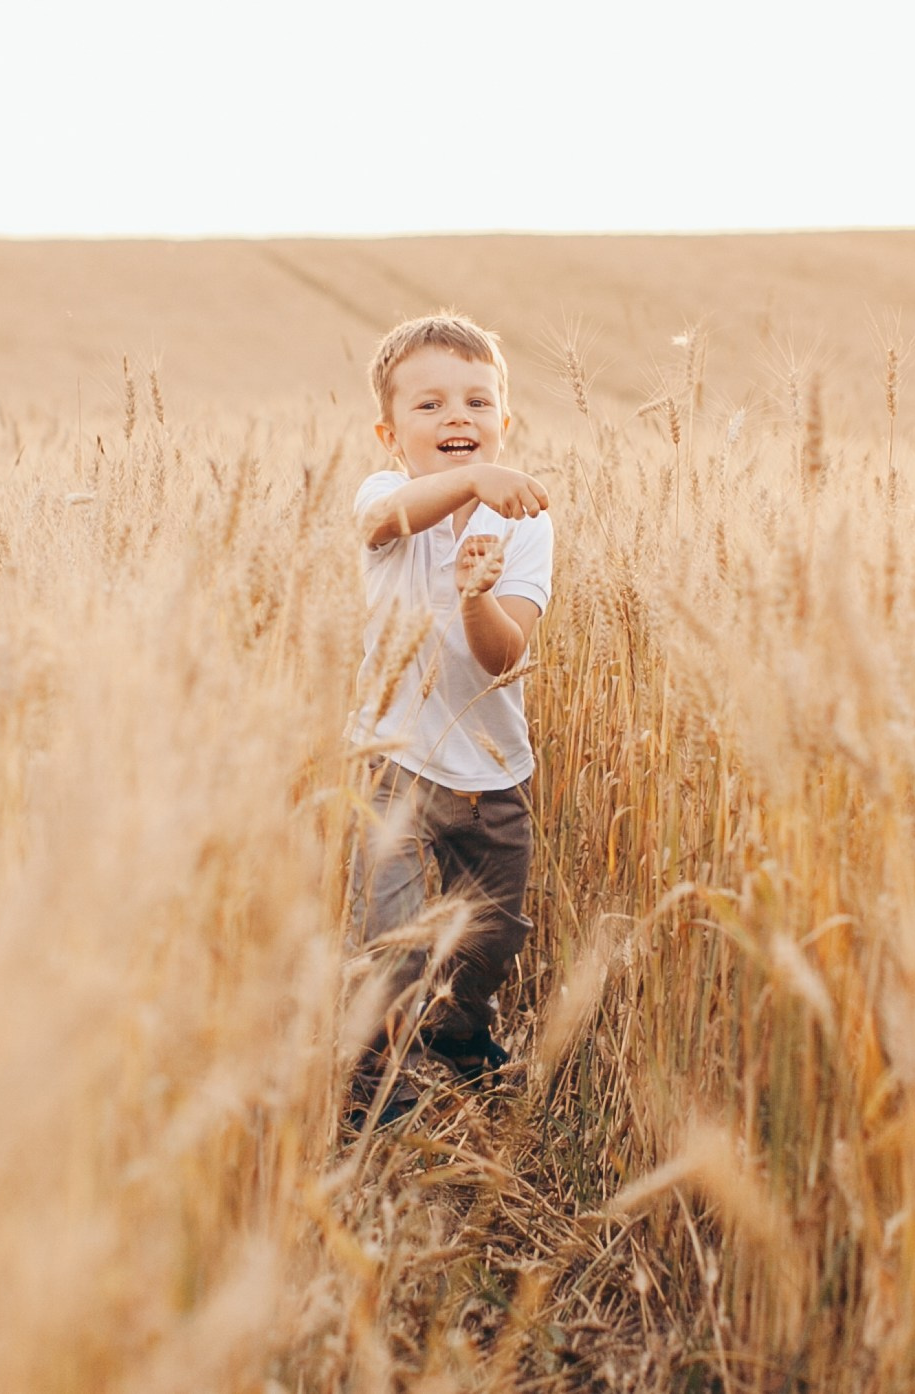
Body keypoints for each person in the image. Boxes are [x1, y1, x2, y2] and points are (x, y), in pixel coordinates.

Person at [346, 311, 555, 1130]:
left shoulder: (526, 522)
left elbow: (505, 657)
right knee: (392, 935)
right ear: (389, 435)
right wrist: (469, 486)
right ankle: (381, 1082)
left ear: (505, 422)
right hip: (392, 759)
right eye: (429, 406)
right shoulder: (385, 496)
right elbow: (379, 523)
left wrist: (474, 598)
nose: (457, 417)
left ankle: (463, 1035)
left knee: (493, 934)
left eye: (476, 401)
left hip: (493, 770)